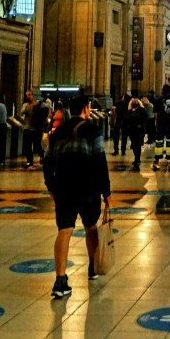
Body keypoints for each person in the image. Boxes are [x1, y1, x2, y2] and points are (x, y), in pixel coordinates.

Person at [43, 93, 111, 298]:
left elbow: (47, 161)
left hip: (63, 187)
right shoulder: (93, 131)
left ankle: (60, 280)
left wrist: (50, 186)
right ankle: (92, 267)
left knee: (64, 230)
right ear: (86, 109)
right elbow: (100, 161)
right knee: (91, 227)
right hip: (88, 188)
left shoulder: (58, 132)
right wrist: (106, 191)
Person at [123, 97, 147, 168]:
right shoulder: (129, 111)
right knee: (134, 145)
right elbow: (125, 120)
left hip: (139, 131)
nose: (134, 104)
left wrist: (141, 125)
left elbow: (145, 119)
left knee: (138, 144)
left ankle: (137, 159)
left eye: (135, 102)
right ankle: (136, 158)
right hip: (132, 131)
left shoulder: (142, 110)